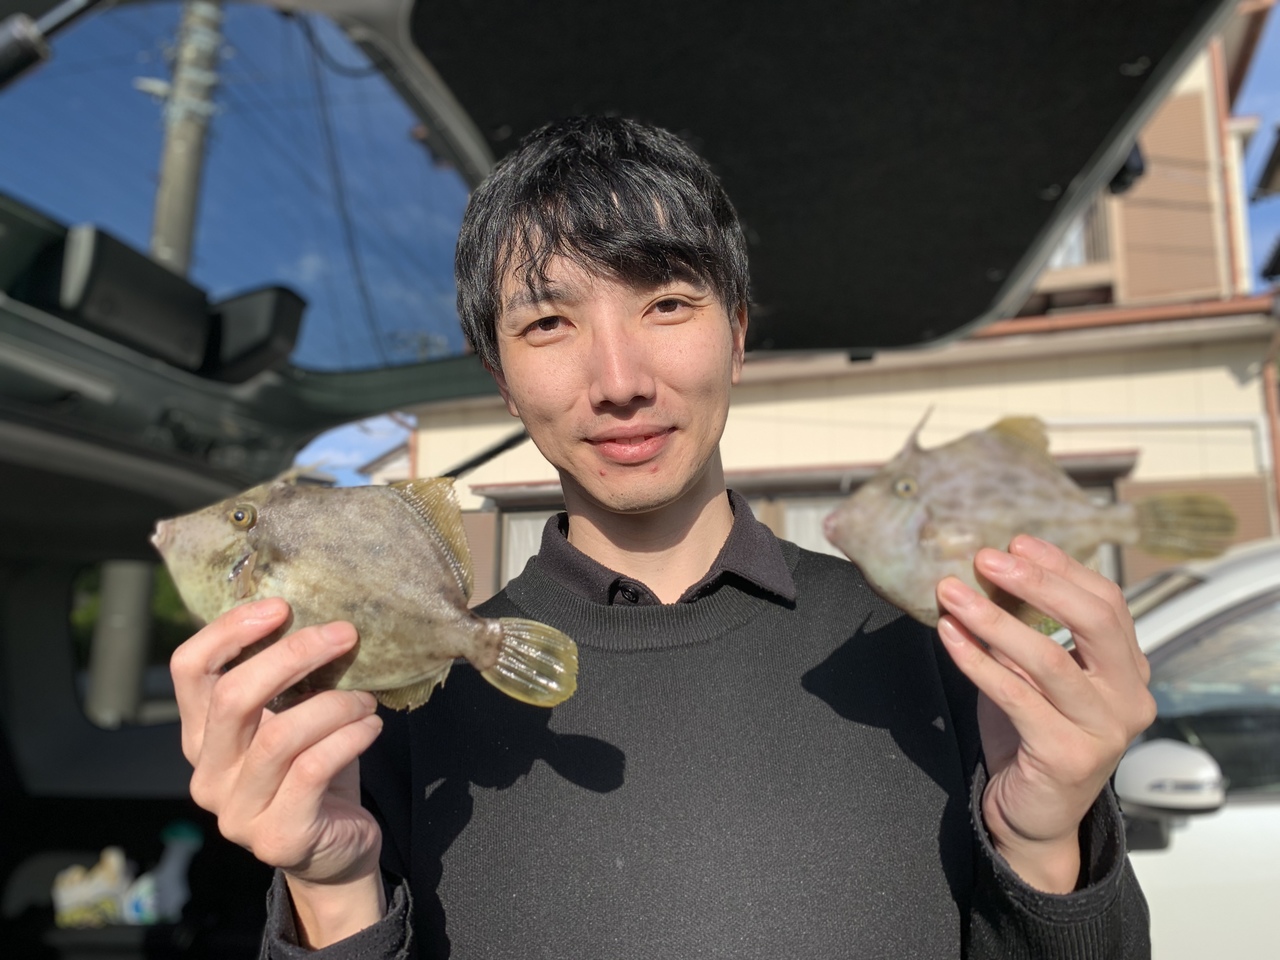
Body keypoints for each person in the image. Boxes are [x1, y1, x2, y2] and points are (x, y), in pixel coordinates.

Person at [170, 116, 1156, 959]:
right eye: (548, 324)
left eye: (667, 304)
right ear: (500, 376)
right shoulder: (387, 714)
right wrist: (333, 888)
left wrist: (1042, 842)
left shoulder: (936, 650)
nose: (619, 381)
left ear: (737, 331)